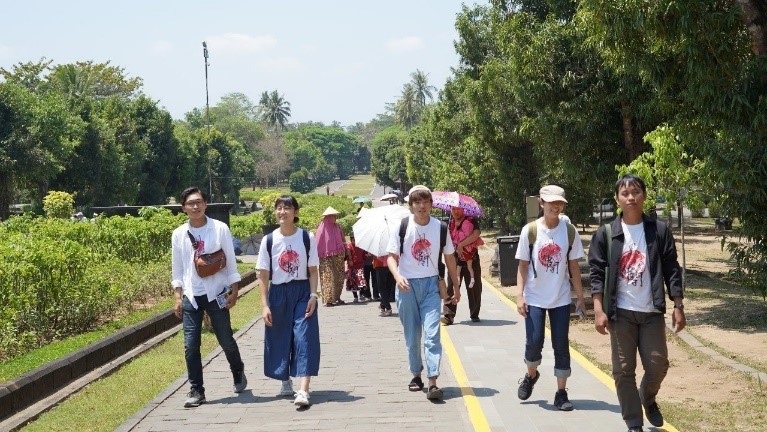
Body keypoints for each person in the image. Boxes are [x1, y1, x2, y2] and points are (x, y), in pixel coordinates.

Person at [588, 174, 685, 432]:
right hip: (621, 314)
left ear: (644, 195)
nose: (631, 197)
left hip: (651, 311)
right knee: (623, 371)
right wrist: (598, 310)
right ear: (618, 199)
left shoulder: (659, 231)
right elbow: (596, 274)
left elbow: (671, 268)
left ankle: (648, 397)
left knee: (658, 365)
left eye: (636, 192)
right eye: (625, 193)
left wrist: (678, 304)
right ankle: (633, 423)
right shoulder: (606, 234)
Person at [171, 187, 247, 408]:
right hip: (191, 296)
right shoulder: (178, 234)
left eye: (199, 202)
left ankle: (237, 370)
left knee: (226, 340)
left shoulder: (220, 228)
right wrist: (178, 296)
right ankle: (197, 390)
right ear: (184, 208)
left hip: (217, 292)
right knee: (190, 345)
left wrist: (235, 290)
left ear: (205, 204)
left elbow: (231, 262)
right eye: (190, 203)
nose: (195, 207)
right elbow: (177, 269)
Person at [514, 185, 585, 411]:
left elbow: (573, 266)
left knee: (561, 345)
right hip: (534, 297)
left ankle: (561, 393)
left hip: (561, 298)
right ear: (541, 203)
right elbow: (523, 265)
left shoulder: (569, 231)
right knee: (534, 343)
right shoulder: (530, 231)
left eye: (560, 203)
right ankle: (531, 375)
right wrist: (519, 296)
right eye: (551, 202)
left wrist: (580, 297)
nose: (556, 206)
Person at [387, 185, 461, 400]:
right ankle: (416, 374)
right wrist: (397, 276)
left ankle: (433, 380)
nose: (421, 206)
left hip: (430, 286)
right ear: (410, 205)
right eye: (416, 202)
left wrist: (455, 287)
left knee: (432, 334)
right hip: (406, 286)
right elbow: (391, 256)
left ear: (431, 204)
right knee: (412, 334)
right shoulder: (401, 226)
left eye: (425, 202)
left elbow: (449, 258)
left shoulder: (440, 227)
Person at [256, 195, 321, 407]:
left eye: (287, 208)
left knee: (304, 337)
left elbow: (312, 269)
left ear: (296, 213)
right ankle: (285, 381)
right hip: (278, 293)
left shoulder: (305, 237)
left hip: (302, 291)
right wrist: (265, 304)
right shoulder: (269, 240)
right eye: (279, 208)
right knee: (280, 337)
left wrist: (313, 295)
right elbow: (263, 275)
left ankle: (303, 390)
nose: (282, 212)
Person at [442, 205, 484, 324]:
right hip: (455, 259)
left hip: (471, 258)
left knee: (474, 287)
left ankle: (474, 314)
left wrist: (461, 244)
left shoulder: (471, 220)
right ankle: (448, 315)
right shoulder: (449, 222)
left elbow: (476, 234)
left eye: (458, 209)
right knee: (451, 286)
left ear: (463, 209)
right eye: (453, 209)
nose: (455, 211)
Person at [316, 207, 347, 306]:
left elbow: (343, 240)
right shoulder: (321, 228)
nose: (335, 217)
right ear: (328, 217)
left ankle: (337, 297)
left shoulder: (337, 227)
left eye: (335, 216)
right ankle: (328, 300)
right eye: (333, 216)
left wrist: (346, 252)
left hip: (339, 254)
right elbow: (318, 243)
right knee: (327, 276)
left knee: (339, 275)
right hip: (325, 256)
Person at [345, 233, 370, 302]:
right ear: (351, 240)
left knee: (361, 281)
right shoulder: (349, 247)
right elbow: (347, 256)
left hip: (360, 266)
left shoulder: (360, 246)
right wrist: (349, 260)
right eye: (354, 240)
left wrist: (367, 255)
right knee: (353, 283)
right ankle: (355, 297)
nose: (355, 241)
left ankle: (361, 295)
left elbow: (364, 256)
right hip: (352, 267)